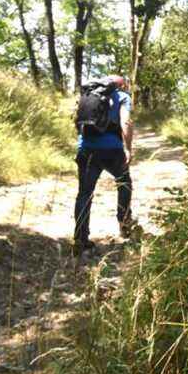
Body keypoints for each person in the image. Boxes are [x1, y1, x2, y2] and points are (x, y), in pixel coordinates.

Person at [74, 75, 135, 253]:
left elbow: (78, 121)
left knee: (84, 194)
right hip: (112, 150)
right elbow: (126, 122)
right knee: (124, 183)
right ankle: (124, 224)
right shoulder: (123, 97)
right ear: (121, 85)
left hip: (86, 150)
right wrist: (128, 148)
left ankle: (80, 238)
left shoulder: (87, 95)